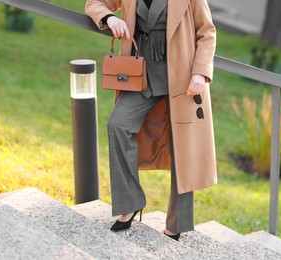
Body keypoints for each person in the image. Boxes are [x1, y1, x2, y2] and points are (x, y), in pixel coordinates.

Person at [85, 0, 217, 241]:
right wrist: (110, 18)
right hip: (141, 74)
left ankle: (177, 223)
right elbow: (95, 3)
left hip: (182, 78)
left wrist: (200, 71)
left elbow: (207, 31)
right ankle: (130, 203)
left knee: (183, 148)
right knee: (118, 125)